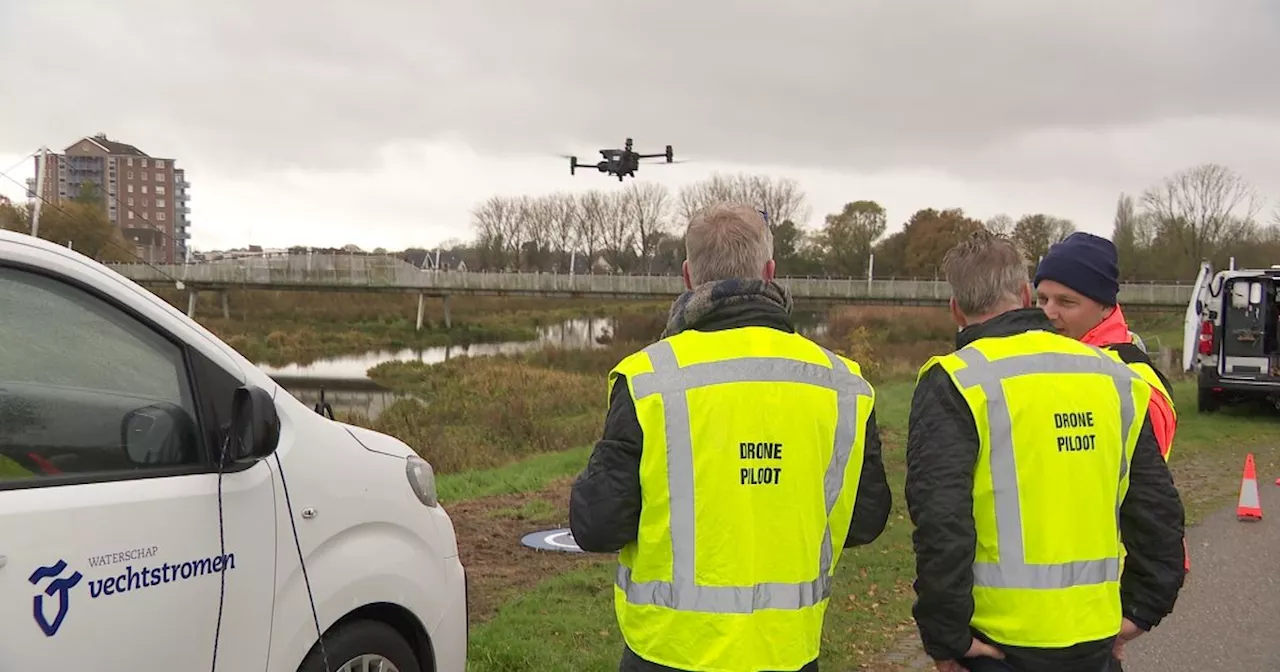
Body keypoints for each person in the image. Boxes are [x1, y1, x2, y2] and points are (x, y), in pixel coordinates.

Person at [567, 202, 893, 672]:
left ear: (687, 276)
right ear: (770, 271)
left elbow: (597, 526)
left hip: (669, 653)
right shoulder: (842, 384)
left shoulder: (649, 379)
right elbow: (865, 520)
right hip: (787, 652)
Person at [904, 231, 1186, 672]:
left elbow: (942, 520)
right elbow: (1156, 511)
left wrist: (946, 637)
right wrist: (1142, 608)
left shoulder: (956, 380)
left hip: (998, 642)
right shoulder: (1118, 378)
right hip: (1093, 639)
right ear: (1024, 295)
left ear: (955, 309)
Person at [1033, 232, 1178, 461]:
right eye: (1042, 299)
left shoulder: (1137, 386)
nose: (1047, 313)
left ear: (1105, 307)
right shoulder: (1046, 359)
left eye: (1066, 302)